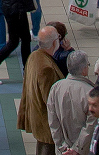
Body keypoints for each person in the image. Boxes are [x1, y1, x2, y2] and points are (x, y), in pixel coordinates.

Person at [19, 25, 67, 155]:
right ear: (53, 43)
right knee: (46, 148)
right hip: (45, 120)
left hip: (35, 113)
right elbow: (50, 100)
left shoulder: (34, 56)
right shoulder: (47, 68)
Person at [48, 53, 96, 155]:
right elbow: (90, 126)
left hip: (62, 150)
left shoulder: (56, 88)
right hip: (83, 150)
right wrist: (76, 149)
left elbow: (53, 121)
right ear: (83, 69)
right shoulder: (90, 92)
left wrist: (62, 146)